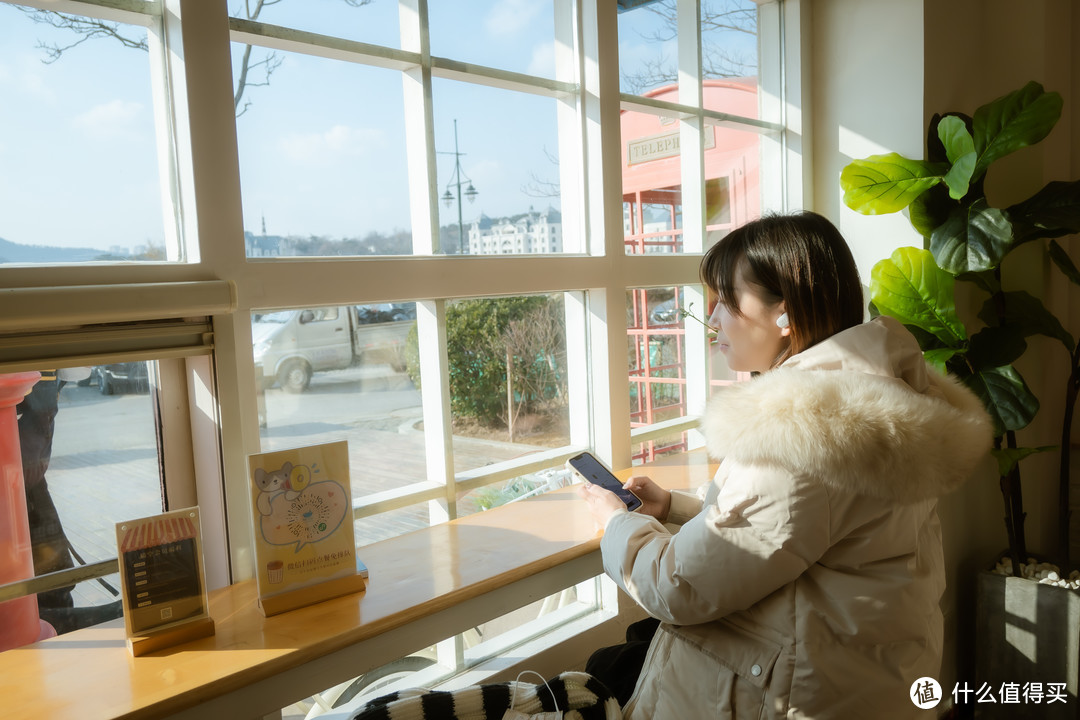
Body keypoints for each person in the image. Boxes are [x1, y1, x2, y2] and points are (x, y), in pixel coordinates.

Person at [577, 211, 993, 719]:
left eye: (727, 301)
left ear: (786, 314)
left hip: (806, 696)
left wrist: (616, 524)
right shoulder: (880, 402)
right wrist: (676, 507)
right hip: (868, 679)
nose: (712, 319)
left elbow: (679, 588)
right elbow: (804, 534)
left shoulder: (803, 436)